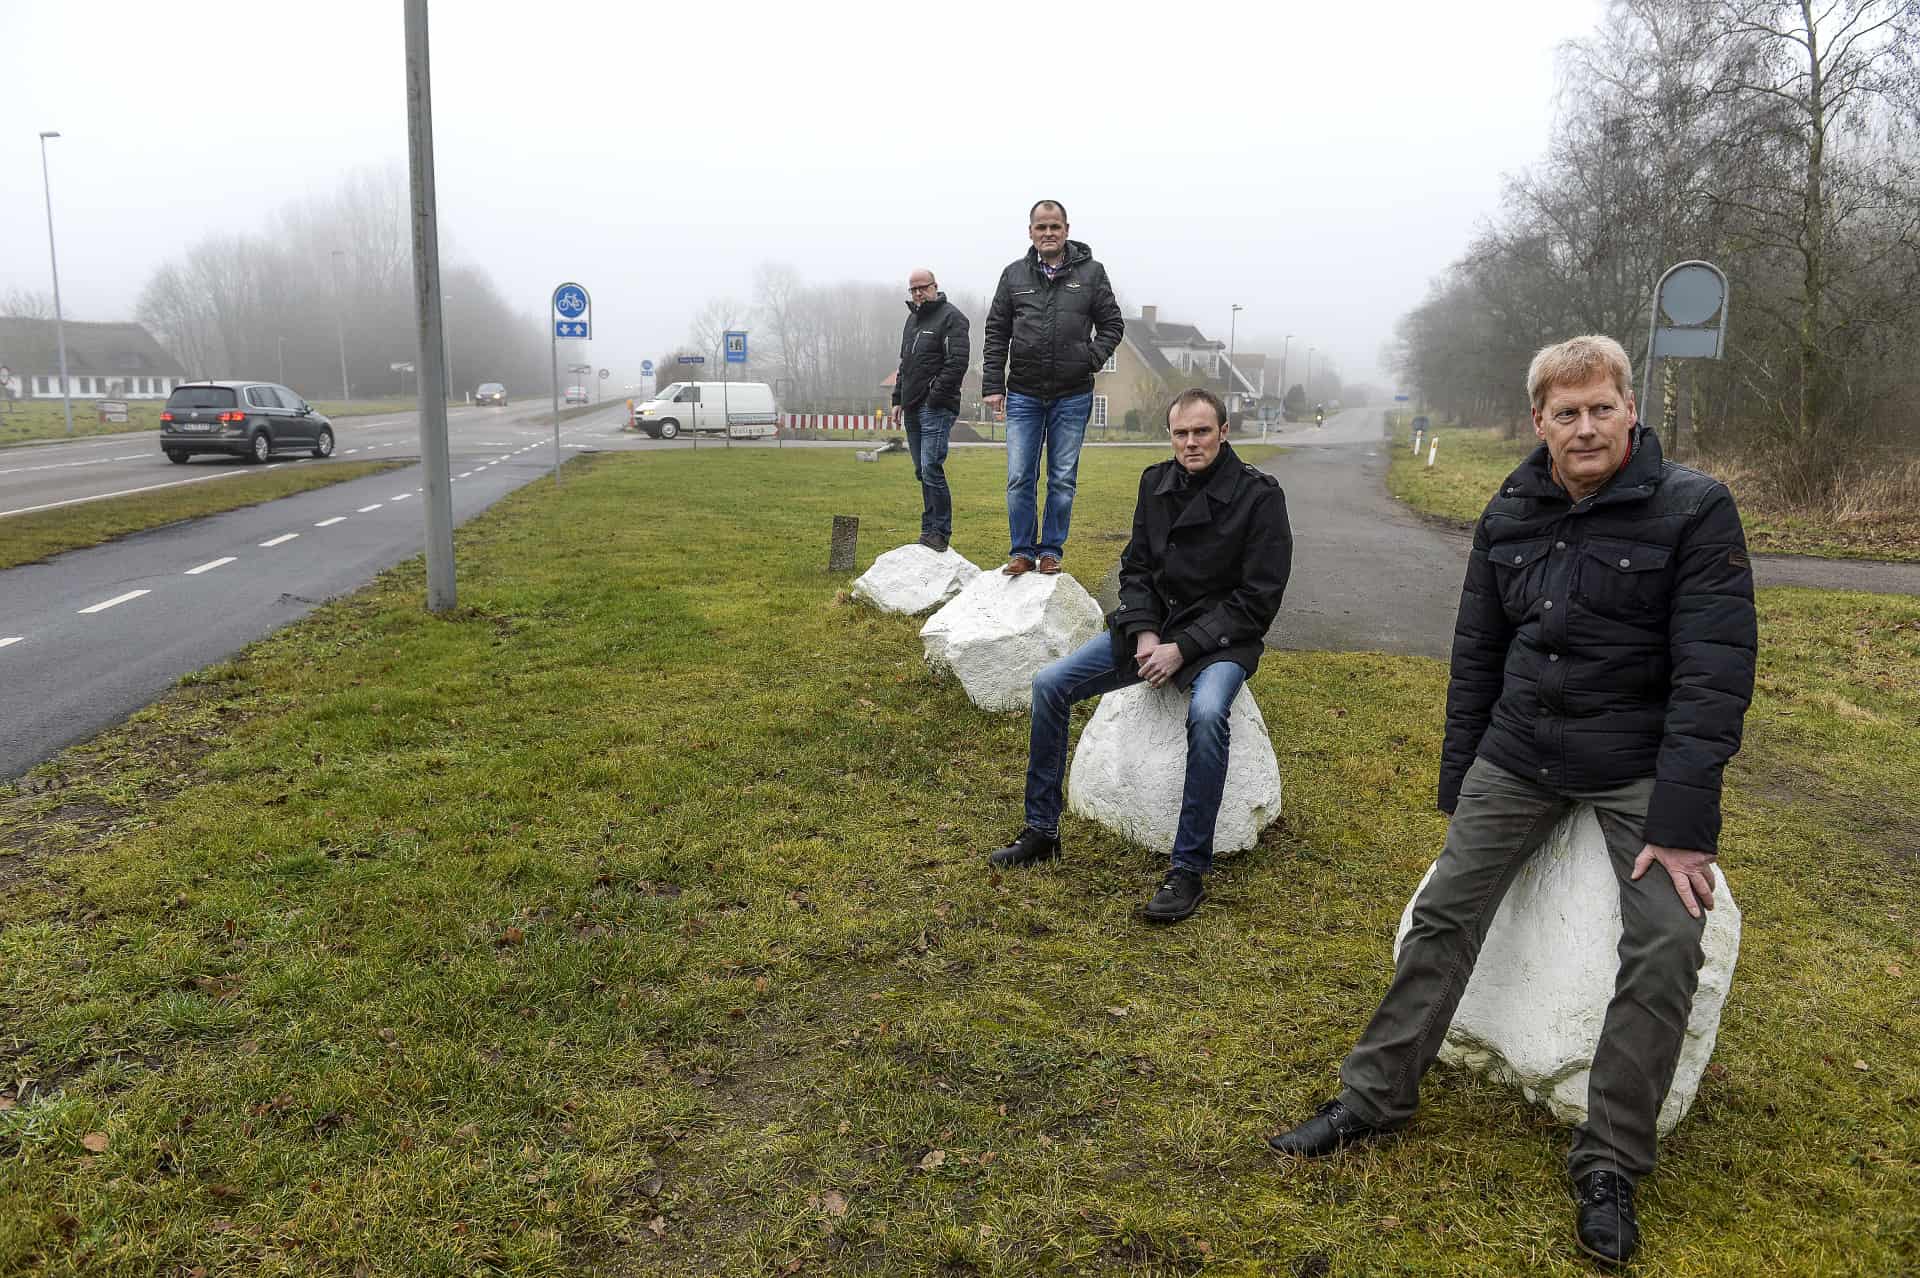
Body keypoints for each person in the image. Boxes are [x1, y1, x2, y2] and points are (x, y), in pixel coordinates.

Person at [1266, 335, 1758, 1268]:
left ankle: (1609, 1160)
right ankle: (1373, 1098)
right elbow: (1477, 654)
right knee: (1445, 911)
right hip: (1520, 753)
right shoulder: (1513, 508)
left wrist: (1684, 827)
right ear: (1539, 421)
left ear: (1630, 409)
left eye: (1600, 408)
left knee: (1665, 940)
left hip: (1638, 766)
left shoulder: (1695, 509)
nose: (1584, 427)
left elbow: (1714, 676)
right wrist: (1464, 790)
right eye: (1564, 413)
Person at [985, 388, 1292, 924]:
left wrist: (1183, 648)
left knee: (1206, 712)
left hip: (1220, 640)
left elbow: (1258, 598)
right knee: (1050, 684)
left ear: (1223, 432)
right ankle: (1041, 831)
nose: (1190, 443)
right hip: (1155, 630)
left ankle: (1188, 869)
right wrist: (1146, 633)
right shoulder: (1156, 482)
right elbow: (1137, 570)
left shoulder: (1260, 496)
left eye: (1201, 432)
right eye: (1180, 433)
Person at [981, 199, 1124, 576]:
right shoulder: (1013, 276)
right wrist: (993, 384)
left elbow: (1112, 325)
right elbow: (996, 331)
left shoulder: (1092, 273)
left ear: (1066, 230)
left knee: (1062, 478)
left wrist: (1088, 358)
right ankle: (1022, 552)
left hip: (1073, 394)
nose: (1048, 233)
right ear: (1030, 232)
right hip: (1024, 394)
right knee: (1019, 476)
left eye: (1054, 226)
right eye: (1041, 227)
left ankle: (1050, 553)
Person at [889, 268, 970, 552]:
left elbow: (957, 363)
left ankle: (940, 531)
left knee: (931, 467)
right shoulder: (911, 322)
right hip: (911, 407)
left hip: (936, 407)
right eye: (913, 289)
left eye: (922, 287)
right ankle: (927, 528)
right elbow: (905, 364)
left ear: (935, 286)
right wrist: (898, 398)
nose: (918, 293)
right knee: (921, 471)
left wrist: (934, 397)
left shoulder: (952, 318)